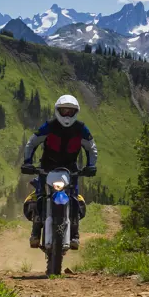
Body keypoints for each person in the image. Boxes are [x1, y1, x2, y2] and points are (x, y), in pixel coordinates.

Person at [23, 94, 97, 250]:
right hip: (47, 168)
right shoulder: (48, 126)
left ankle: (75, 235)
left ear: (76, 112)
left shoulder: (81, 129)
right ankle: (35, 233)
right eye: (64, 111)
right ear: (57, 111)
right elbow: (32, 143)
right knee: (40, 197)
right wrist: (28, 163)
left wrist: (91, 166)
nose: (67, 115)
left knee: (74, 199)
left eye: (71, 111)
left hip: (70, 170)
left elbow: (91, 148)